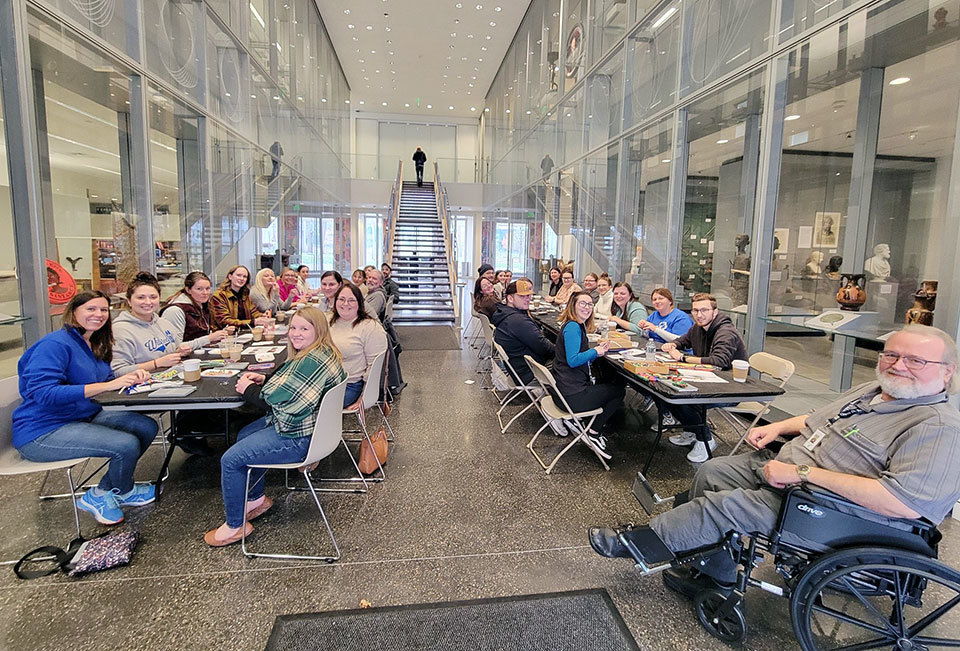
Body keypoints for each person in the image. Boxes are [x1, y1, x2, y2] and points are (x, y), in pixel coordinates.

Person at [589, 325, 960, 600]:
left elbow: (903, 503)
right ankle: (713, 570)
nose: (898, 365)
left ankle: (646, 541)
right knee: (712, 470)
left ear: (947, 371)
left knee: (724, 506)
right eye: (891, 355)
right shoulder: (874, 391)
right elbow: (819, 420)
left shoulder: (938, 427)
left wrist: (801, 472)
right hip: (785, 468)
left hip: (825, 507)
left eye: (915, 360)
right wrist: (779, 426)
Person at [14, 290, 159, 525]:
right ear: (73, 312)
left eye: (103, 310)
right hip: (42, 431)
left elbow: (106, 380)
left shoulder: (93, 343)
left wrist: (132, 376)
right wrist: (105, 385)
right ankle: (101, 496)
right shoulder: (54, 344)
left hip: (82, 416)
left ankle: (117, 490)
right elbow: (43, 393)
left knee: (145, 427)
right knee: (125, 444)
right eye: (91, 309)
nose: (99, 314)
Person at [205, 307, 347, 547]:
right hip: (314, 430)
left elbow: (283, 402)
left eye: (304, 328)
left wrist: (249, 390)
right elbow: (292, 384)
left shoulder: (311, 360)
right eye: (293, 327)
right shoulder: (321, 352)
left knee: (230, 460)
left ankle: (234, 527)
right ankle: (254, 500)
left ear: (319, 330)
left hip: (299, 438)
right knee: (245, 434)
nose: (296, 334)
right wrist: (267, 380)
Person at [661, 293, 748, 462]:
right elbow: (683, 341)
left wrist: (683, 358)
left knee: (687, 399)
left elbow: (719, 361)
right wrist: (673, 344)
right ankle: (692, 430)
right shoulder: (697, 328)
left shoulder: (726, 332)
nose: (699, 315)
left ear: (715, 312)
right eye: (695, 310)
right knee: (667, 391)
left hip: (731, 387)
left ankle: (705, 439)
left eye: (704, 310)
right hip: (707, 380)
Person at [552, 291, 625, 455]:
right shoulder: (572, 327)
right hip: (571, 397)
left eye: (590, 304)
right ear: (573, 305)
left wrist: (595, 352)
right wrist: (595, 351)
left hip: (562, 392)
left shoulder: (575, 325)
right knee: (619, 391)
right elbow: (573, 360)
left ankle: (587, 424)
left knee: (605, 383)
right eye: (582, 303)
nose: (587, 307)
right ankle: (593, 432)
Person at [112, 272, 192, 376]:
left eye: (153, 297)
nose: (148, 302)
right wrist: (156, 364)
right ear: (129, 301)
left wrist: (180, 352)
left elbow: (174, 350)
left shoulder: (164, 323)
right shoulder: (120, 330)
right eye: (141, 297)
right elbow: (118, 371)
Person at [329, 284, 389, 408]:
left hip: (349, 385)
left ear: (359, 303)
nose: (345, 304)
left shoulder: (369, 327)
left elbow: (374, 367)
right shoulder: (327, 321)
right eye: (341, 299)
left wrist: (364, 397)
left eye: (351, 300)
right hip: (322, 382)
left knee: (301, 409)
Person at [492, 280, 555, 385]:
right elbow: (544, 348)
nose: (527, 299)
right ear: (510, 298)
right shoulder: (518, 321)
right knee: (569, 360)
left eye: (528, 296)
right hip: (530, 374)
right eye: (522, 296)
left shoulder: (504, 313)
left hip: (517, 370)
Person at [161, 271, 234, 349]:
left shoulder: (202, 305)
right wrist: (209, 338)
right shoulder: (175, 311)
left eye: (207, 288)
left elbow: (200, 334)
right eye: (199, 289)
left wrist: (222, 332)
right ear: (188, 290)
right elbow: (175, 347)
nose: (205, 293)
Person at [211, 265, 270, 330]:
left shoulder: (245, 294)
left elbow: (253, 312)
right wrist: (252, 322)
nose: (242, 278)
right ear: (230, 276)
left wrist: (262, 316)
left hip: (245, 332)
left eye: (245, 277)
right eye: (238, 275)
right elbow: (225, 321)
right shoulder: (219, 296)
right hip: (226, 335)